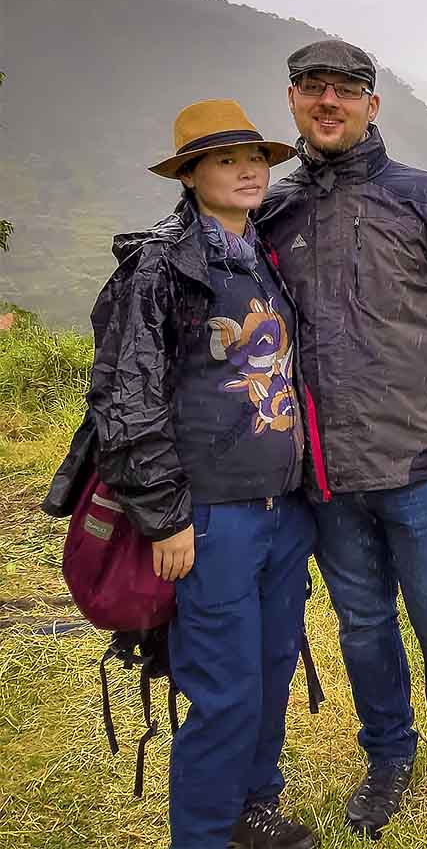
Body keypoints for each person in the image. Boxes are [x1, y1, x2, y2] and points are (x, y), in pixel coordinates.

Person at [256, 40, 427, 835]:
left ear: (372, 105)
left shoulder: (425, 199)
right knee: (364, 629)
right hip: (325, 476)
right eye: (312, 87)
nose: (328, 101)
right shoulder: (274, 210)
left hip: (422, 465)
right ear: (293, 100)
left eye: (345, 90)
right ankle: (388, 757)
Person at [49, 100, 319, 848]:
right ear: (191, 175)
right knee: (225, 688)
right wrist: (165, 517)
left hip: (281, 508)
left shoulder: (262, 254)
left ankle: (252, 808)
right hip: (211, 515)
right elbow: (125, 398)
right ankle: (201, 834)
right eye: (226, 159)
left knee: (271, 668)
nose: (248, 170)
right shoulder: (163, 265)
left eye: (255, 157)